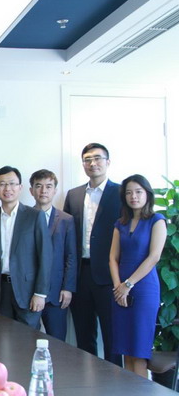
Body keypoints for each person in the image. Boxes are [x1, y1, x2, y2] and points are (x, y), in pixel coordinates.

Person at [63, 142, 122, 365]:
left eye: (97, 158)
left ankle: (115, 381)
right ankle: (87, 380)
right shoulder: (74, 195)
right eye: (87, 159)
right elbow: (68, 237)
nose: (93, 163)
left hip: (110, 275)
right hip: (80, 275)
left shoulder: (121, 193)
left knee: (112, 337)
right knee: (84, 336)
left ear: (108, 162)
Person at [0, 166, 52, 329]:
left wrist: (40, 293)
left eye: (12, 183)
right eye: (2, 184)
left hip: (28, 291)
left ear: (20, 187)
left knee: (28, 338)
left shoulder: (35, 216)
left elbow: (45, 257)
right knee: (1, 337)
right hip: (0, 290)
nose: (7, 189)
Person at [109, 174, 165, 377]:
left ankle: (139, 390)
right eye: (129, 193)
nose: (133, 196)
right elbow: (113, 258)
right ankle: (127, 389)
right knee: (125, 348)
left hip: (143, 289)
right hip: (119, 290)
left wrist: (128, 284)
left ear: (147, 194)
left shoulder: (157, 220)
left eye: (138, 192)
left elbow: (154, 257)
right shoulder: (120, 223)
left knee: (139, 349)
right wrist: (118, 286)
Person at [29, 169, 77, 341]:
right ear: (31, 190)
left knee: (58, 342)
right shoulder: (24, 218)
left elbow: (71, 256)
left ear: (55, 190)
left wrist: (68, 288)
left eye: (48, 186)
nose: (43, 191)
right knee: (26, 341)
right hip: (29, 292)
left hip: (57, 292)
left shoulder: (66, 220)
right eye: (38, 186)